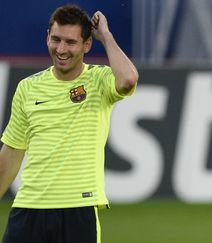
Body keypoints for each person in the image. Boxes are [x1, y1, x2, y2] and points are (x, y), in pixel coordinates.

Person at [0, 4, 138, 243]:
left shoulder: (99, 79)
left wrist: (106, 36)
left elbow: (128, 79)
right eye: (56, 39)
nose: (61, 49)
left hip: (78, 208)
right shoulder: (27, 87)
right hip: (28, 207)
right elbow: (11, 153)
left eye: (71, 42)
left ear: (86, 45)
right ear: (47, 38)